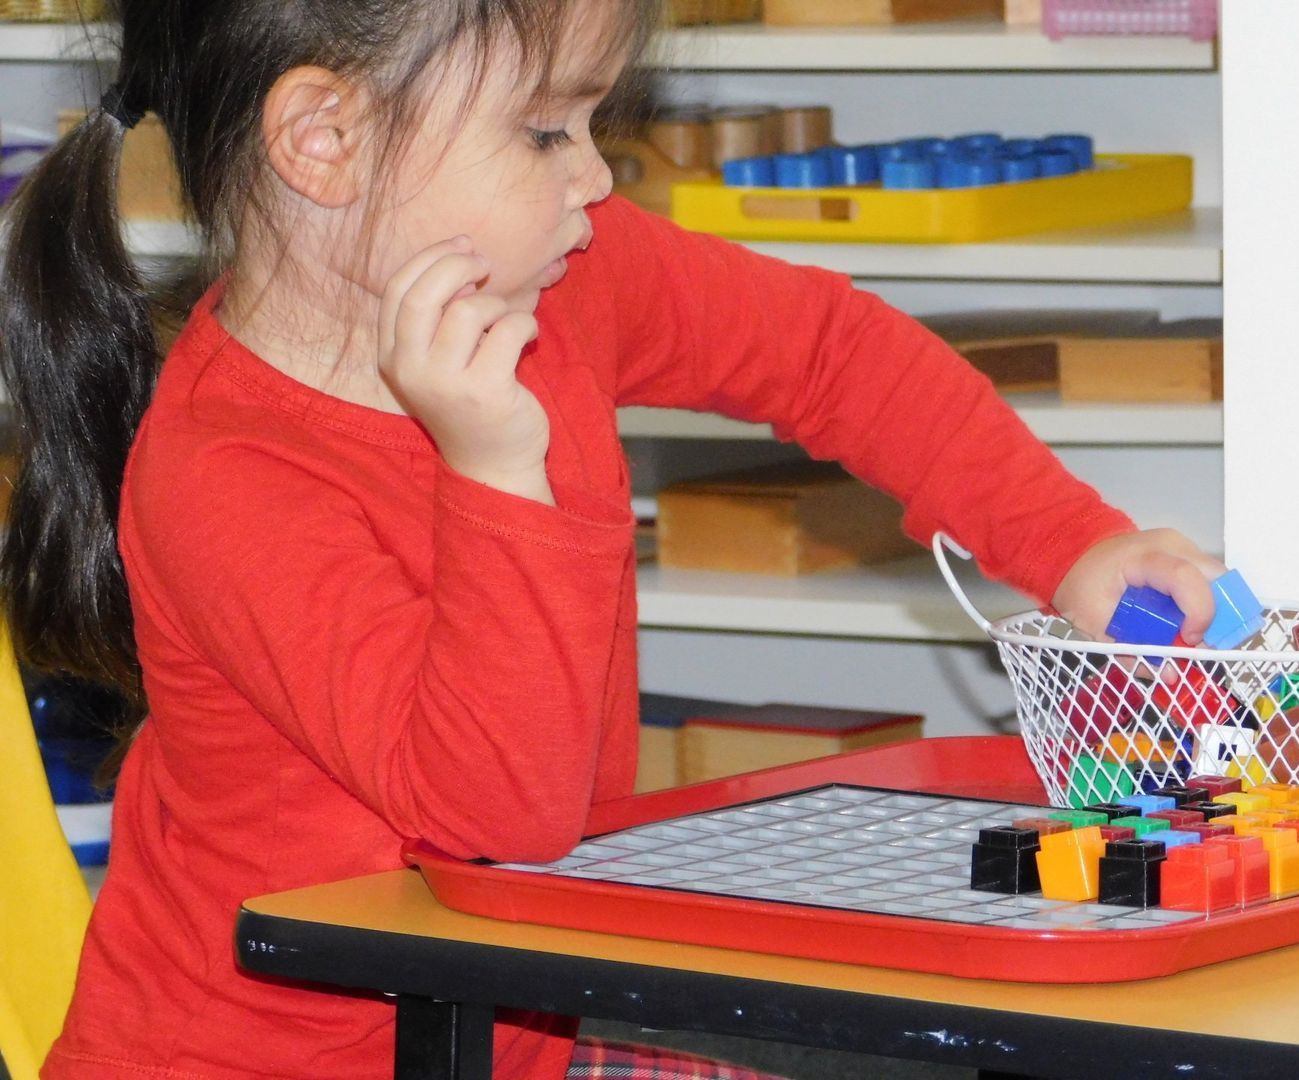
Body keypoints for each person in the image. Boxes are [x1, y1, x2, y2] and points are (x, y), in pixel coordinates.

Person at [0, 0, 1223, 1077]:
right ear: (324, 140)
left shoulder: (565, 276)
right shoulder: (228, 475)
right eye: (545, 132)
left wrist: (1074, 547)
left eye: (592, 124)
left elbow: (831, 354)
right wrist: (496, 470)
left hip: (506, 1022)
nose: (593, 180)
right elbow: (493, 813)